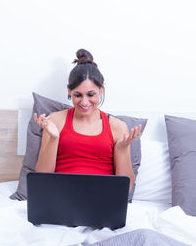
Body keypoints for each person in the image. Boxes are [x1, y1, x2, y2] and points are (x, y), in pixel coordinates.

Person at [34, 49, 140, 191]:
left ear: (101, 89)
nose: (84, 102)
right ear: (69, 91)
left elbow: (126, 187)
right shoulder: (55, 121)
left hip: (101, 200)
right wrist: (54, 138)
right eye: (77, 95)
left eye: (91, 94)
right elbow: (41, 178)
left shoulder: (118, 127)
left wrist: (121, 149)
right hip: (61, 197)